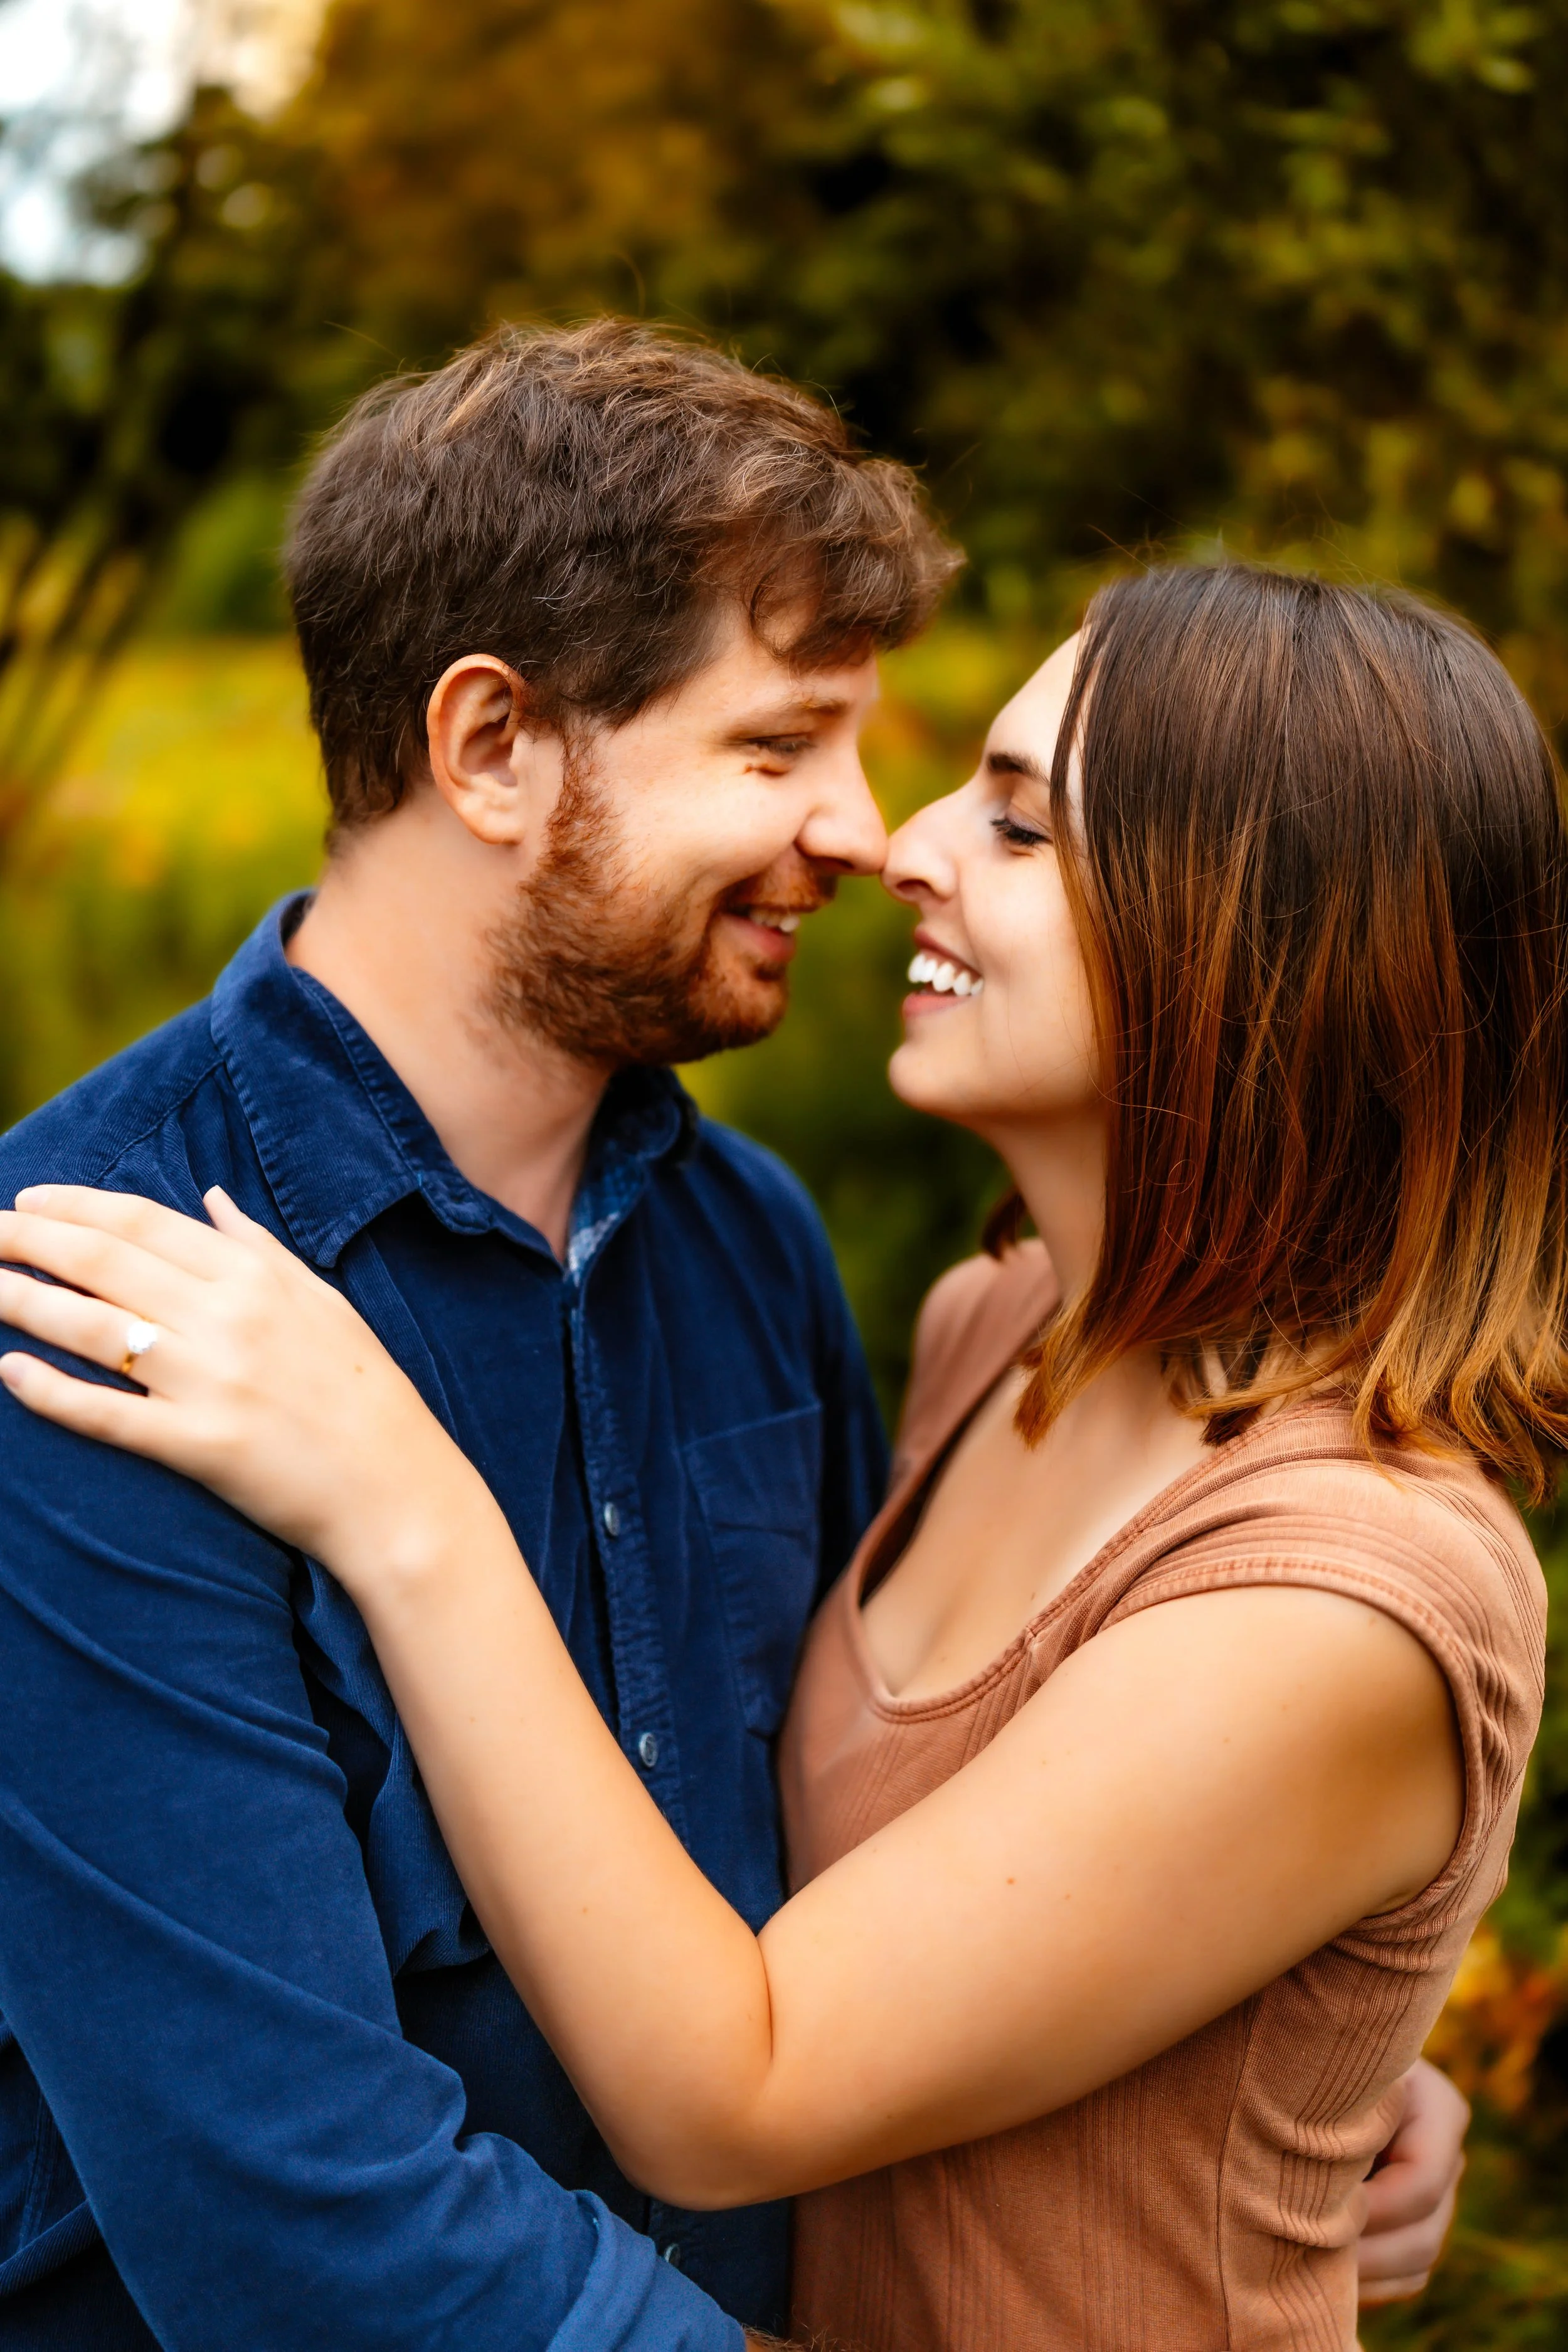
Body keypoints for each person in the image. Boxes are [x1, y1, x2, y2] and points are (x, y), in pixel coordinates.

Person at [0, 560, 1540, 2349]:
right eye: (789, 743)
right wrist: (1306, 2029)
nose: (896, 843)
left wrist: (401, 1494)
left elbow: (746, 2074)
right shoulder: (992, 1339)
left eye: (1021, 829)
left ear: (1249, 946)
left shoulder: (1343, 1582)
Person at [0, 319, 955, 2349]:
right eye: (776, 747)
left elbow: (897, 1860)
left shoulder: (744, 1240)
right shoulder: (81, 1298)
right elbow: (288, 2223)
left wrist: (1246, 2051)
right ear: (493, 745)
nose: (866, 831)